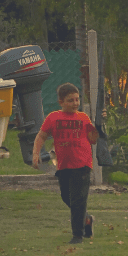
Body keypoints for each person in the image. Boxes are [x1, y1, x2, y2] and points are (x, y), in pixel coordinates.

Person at [32, 83, 98, 244]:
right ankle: (86, 219)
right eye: (70, 100)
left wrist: (97, 128)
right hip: (63, 165)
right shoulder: (53, 118)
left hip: (82, 164)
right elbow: (41, 136)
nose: (75, 103)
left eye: (77, 99)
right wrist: (36, 154)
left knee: (78, 199)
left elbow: (93, 139)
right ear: (61, 102)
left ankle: (78, 235)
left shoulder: (83, 118)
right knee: (66, 197)